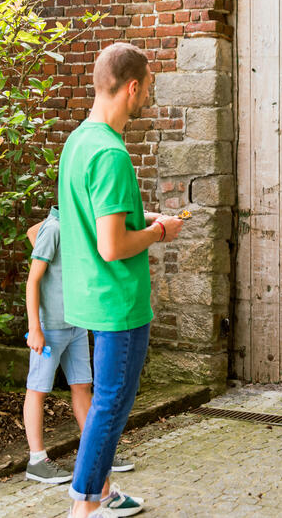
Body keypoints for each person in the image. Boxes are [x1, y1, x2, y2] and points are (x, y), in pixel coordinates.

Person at [58, 43, 184, 518]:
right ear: (132, 87)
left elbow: (98, 222)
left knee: (105, 402)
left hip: (90, 295)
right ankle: (84, 506)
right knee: (110, 406)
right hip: (119, 302)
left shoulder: (79, 142)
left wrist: (139, 216)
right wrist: (157, 231)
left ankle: (104, 491)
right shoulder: (111, 154)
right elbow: (112, 246)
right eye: (147, 88)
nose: (146, 97)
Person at [23, 208, 133, 484]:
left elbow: (32, 231)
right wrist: (35, 328)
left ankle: (94, 453)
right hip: (49, 329)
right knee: (37, 390)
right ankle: (37, 460)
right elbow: (33, 280)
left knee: (83, 386)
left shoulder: (75, 225)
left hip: (77, 324)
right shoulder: (56, 228)